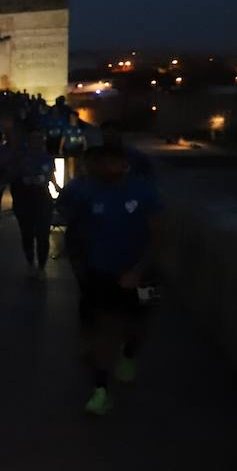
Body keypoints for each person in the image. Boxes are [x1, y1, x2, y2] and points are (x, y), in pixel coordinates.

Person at [58, 143, 163, 416]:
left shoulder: (144, 191)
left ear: (123, 164)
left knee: (141, 322)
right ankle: (100, 390)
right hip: (102, 273)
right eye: (101, 163)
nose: (105, 168)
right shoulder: (88, 191)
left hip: (145, 274)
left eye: (111, 162)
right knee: (104, 328)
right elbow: (75, 225)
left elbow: (159, 236)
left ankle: (129, 354)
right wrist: (79, 259)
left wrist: (139, 270)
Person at [10, 128, 59, 279]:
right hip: (25, 200)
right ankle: (30, 261)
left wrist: (57, 189)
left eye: (39, 139)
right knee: (27, 234)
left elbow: (51, 177)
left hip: (43, 199)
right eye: (33, 139)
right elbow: (14, 179)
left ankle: (42, 266)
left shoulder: (48, 158)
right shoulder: (21, 159)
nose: (37, 142)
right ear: (29, 142)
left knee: (43, 234)